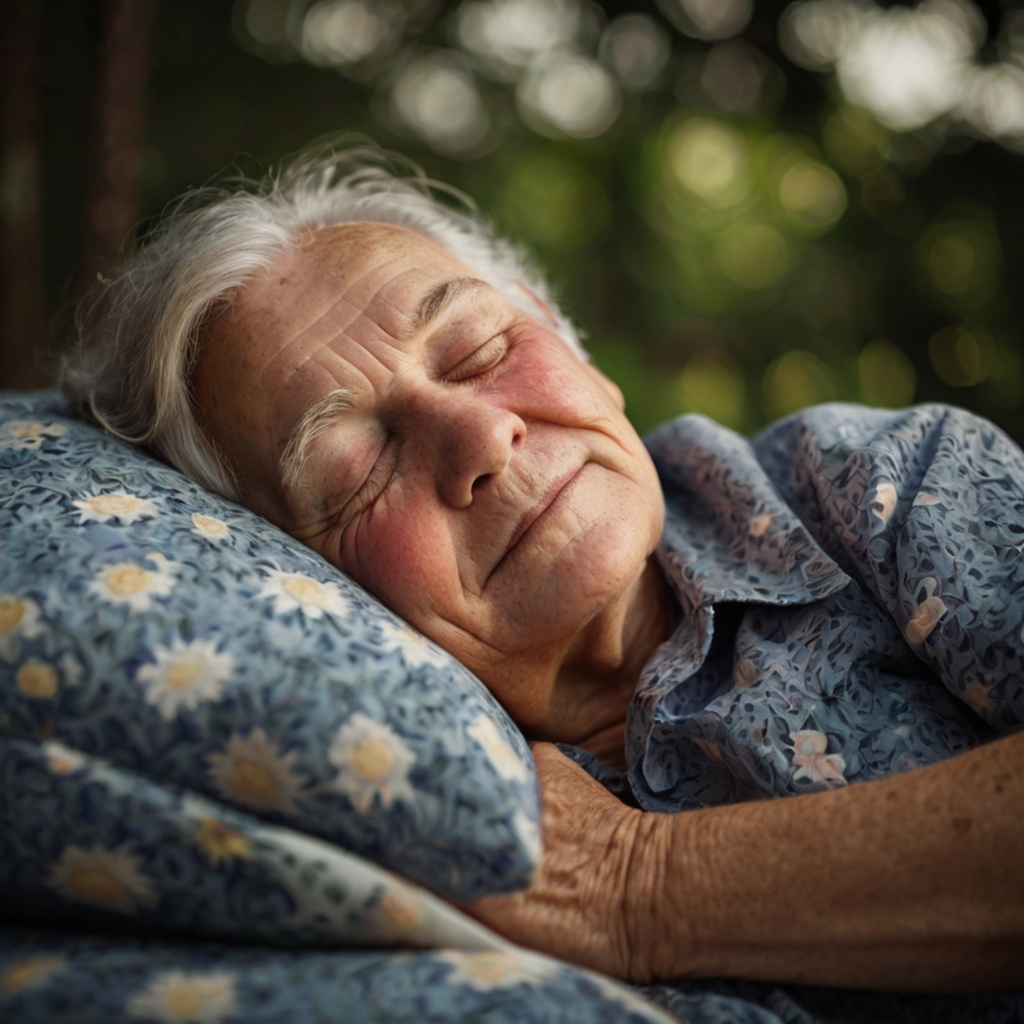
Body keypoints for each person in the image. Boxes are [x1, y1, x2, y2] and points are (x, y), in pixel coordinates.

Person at [64, 146, 1024, 994]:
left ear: (571, 343)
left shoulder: (878, 485)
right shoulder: (377, 804)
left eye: (482, 348)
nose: (482, 434)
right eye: (358, 468)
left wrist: (643, 884)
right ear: (286, 575)